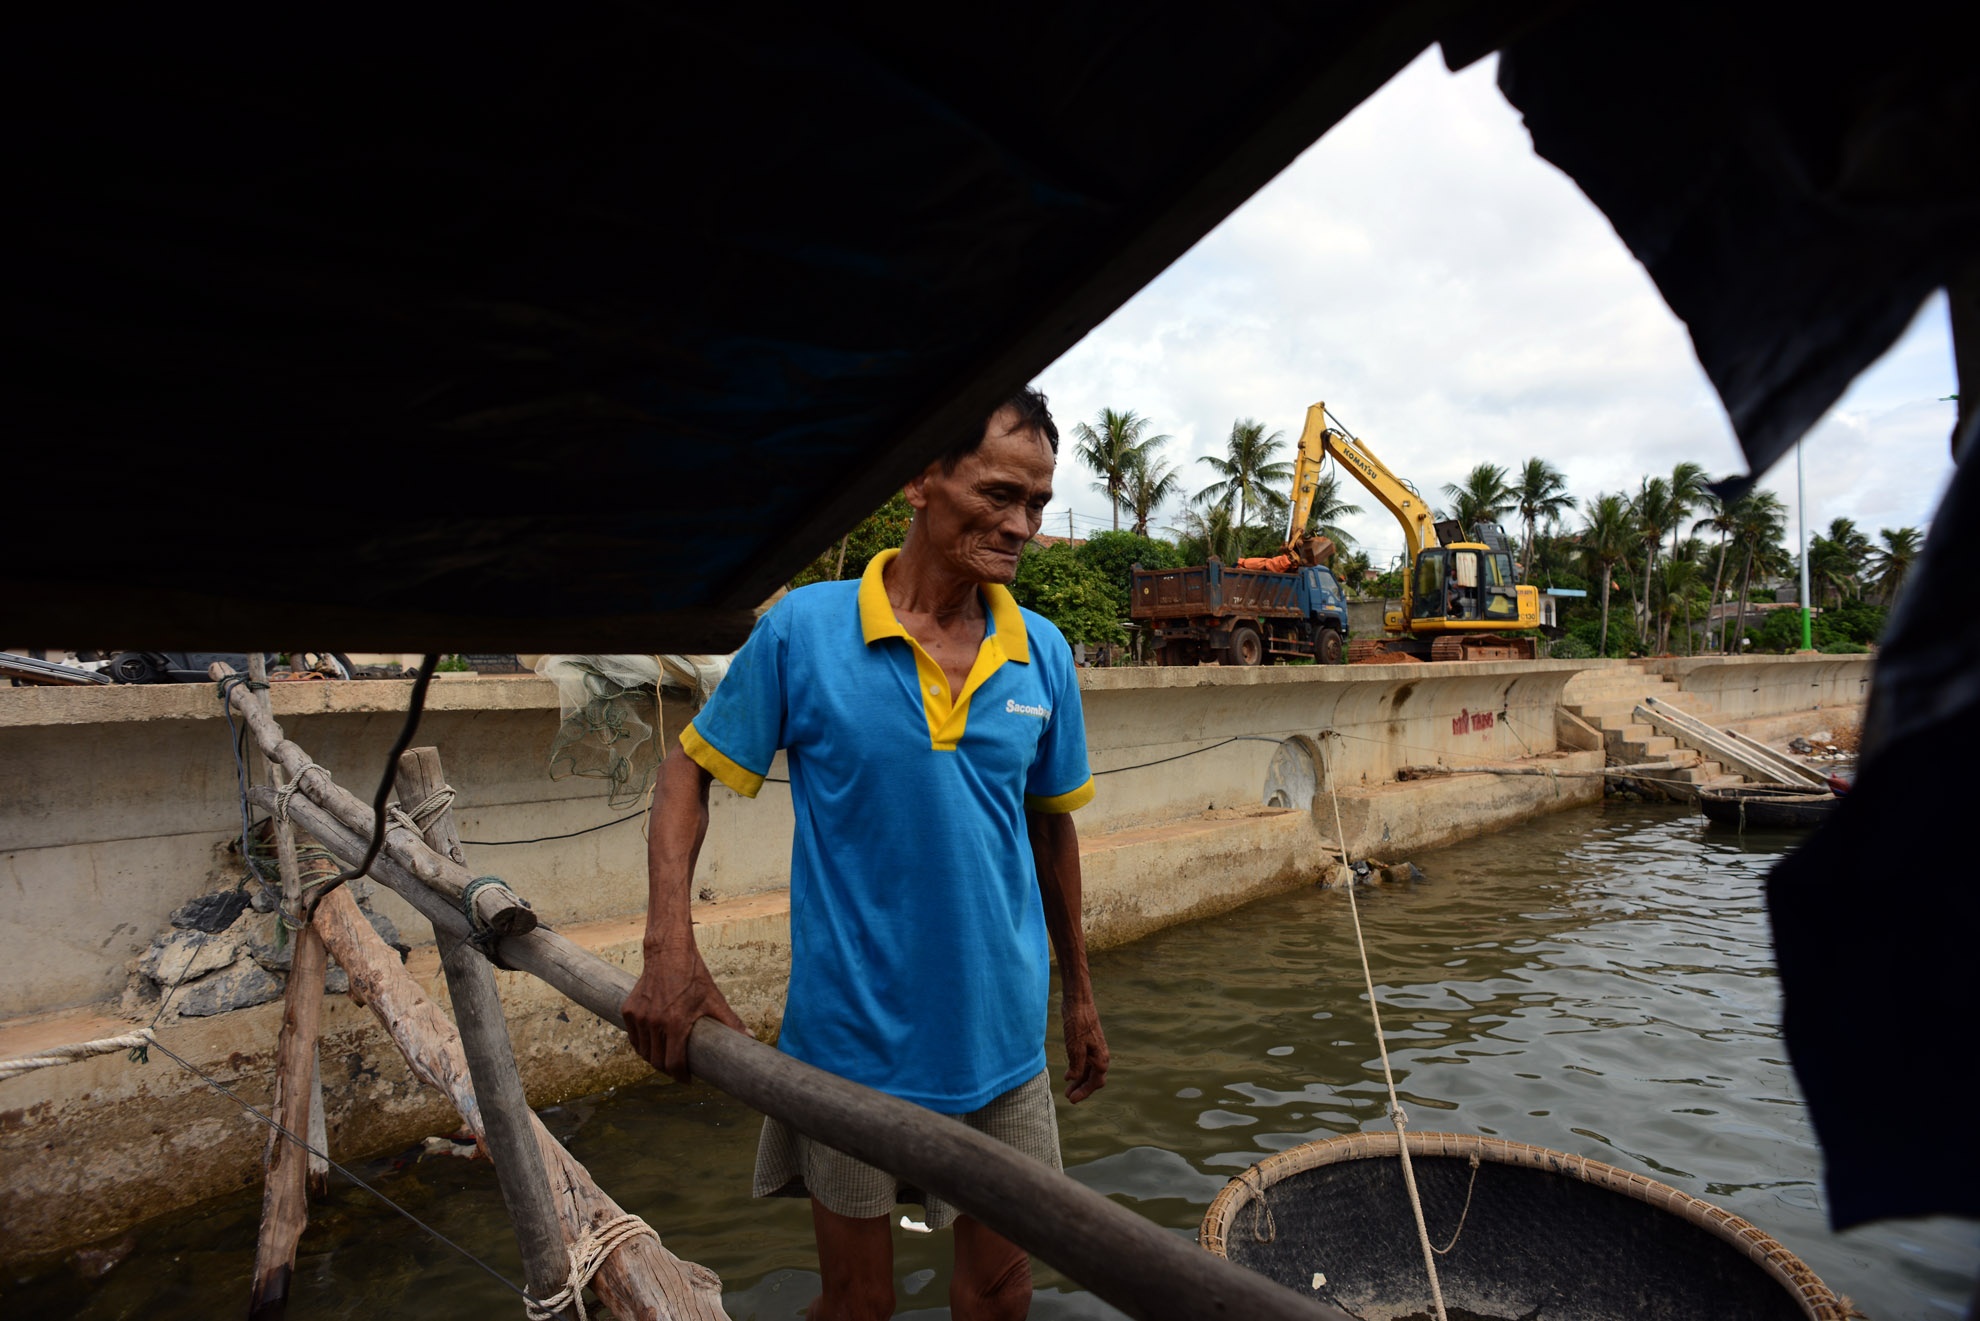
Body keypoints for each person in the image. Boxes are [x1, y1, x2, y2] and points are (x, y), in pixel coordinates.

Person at [623, 386, 1109, 1321]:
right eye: (1001, 495)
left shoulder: (1041, 652)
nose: (1023, 527)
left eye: (1039, 505)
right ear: (921, 478)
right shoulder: (806, 630)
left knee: (1002, 1296)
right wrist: (669, 948)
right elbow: (685, 777)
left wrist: (1080, 995)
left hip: (1004, 1049)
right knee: (858, 1305)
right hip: (847, 1051)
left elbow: (1051, 826)